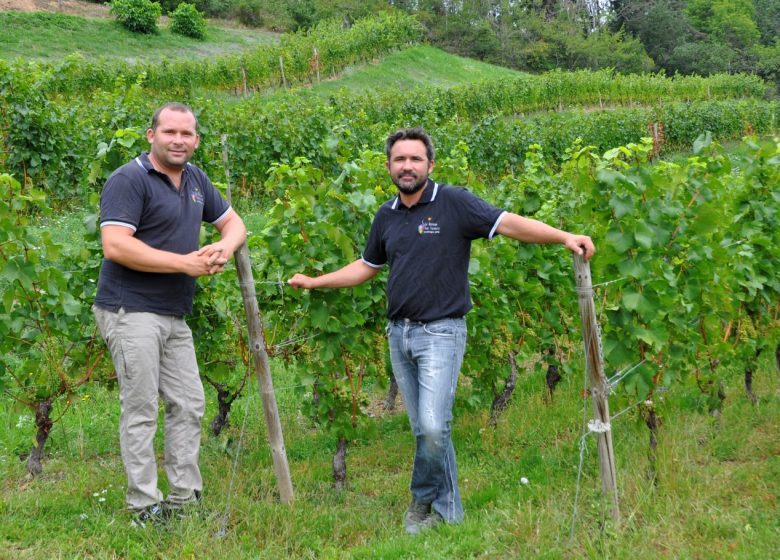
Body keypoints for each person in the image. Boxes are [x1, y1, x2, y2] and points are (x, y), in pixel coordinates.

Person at [289, 127, 594, 535]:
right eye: (400, 159)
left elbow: (508, 223)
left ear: (430, 165)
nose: (407, 166)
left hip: (442, 333)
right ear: (389, 166)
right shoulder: (386, 215)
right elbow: (366, 267)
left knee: (433, 427)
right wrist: (316, 281)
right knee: (427, 429)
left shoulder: (452, 202)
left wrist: (564, 237)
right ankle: (450, 515)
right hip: (399, 335)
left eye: (416, 159)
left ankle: (420, 502)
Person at [92, 102, 247, 526]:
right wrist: (186, 264)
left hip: (174, 313)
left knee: (189, 403)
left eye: (187, 134)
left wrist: (223, 248)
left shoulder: (196, 180)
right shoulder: (129, 179)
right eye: (170, 132)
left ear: (196, 140)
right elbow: (116, 246)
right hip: (130, 308)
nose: (178, 140)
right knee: (141, 408)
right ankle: (144, 505)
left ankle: (184, 498)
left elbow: (235, 224)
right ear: (151, 135)